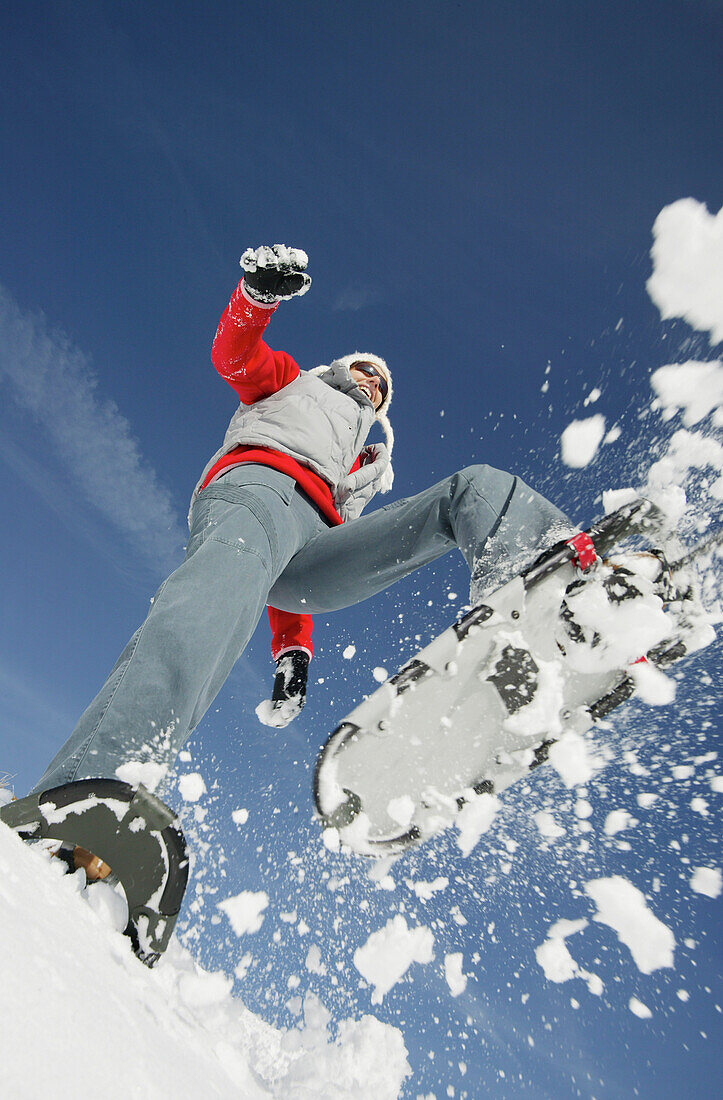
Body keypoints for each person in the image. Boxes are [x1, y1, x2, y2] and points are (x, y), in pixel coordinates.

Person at [31, 245, 569, 802]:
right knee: (204, 617)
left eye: (382, 386)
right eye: (366, 372)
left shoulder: (363, 468)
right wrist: (254, 300)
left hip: (314, 542)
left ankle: (549, 579)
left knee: (473, 488)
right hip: (259, 492)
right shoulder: (295, 382)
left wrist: (293, 650)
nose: (373, 384)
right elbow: (235, 357)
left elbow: (297, 567)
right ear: (342, 368)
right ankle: (89, 792)